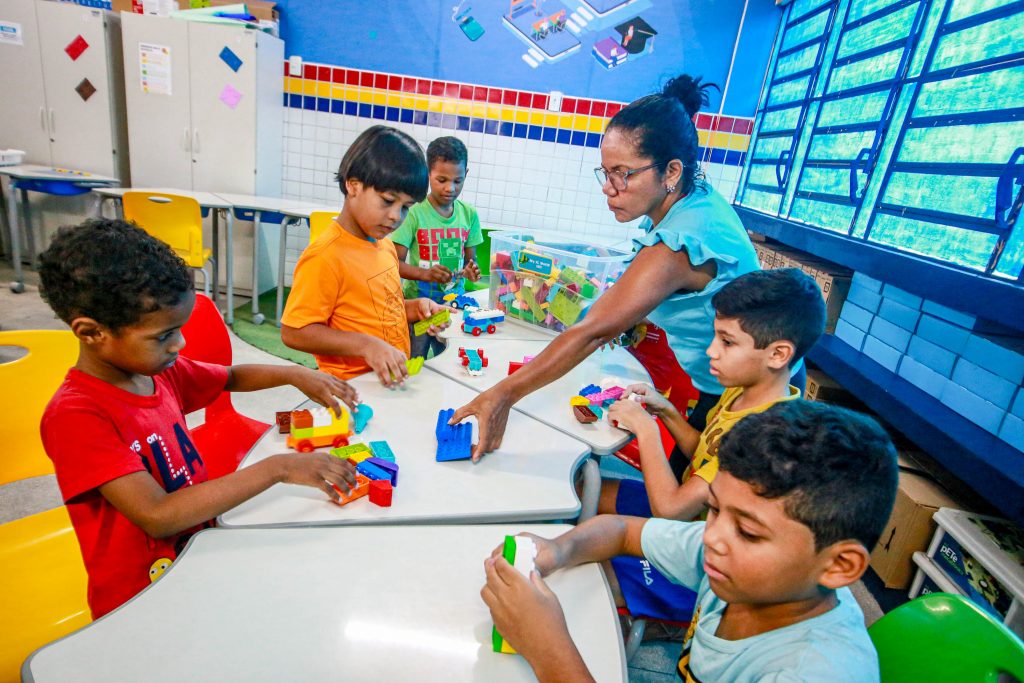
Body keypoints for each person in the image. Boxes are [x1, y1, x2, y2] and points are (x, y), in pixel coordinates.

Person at [38, 219, 360, 619]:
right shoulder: (76, 416)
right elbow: (157, 515)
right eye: (163, 335)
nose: (181, 343)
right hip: (138, 597)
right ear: (91, 332)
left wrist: (295, 374)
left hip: (194, 554)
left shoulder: (158, 372)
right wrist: (278, 468)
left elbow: (230, 377)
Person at [453, 74, 762, 464]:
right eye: (605, 172)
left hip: (750, 402)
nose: (608, 186)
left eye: (623, 173)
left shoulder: (681, 241)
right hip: (729, 386)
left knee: (691, 491)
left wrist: (502, 395)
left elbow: (594, 331)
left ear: (671, 172)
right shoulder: (689, 199)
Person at [482, 401, 898, 683]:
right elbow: (623, 530)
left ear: (839, 566)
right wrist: (557, 549)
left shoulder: (812, 672)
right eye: (714, 509)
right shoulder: (739, 567)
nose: (713, 536)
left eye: (749, 532)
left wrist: (548, 649)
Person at [595, 268, 826, 625]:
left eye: (727, 342)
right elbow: (703, 452)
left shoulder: (763, 436)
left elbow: (670, 511)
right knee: (588, 492)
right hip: (693, 514)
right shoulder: (743, 392)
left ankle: (667, 622)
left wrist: (646, 429)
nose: (711, 351)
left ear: (778, 354)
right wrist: (666, 411)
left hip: (705, 563)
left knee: (593, 574)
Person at [281, 125, 449, 387]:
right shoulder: (326, 256)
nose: (396, 216)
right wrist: (366, 345)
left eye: (406, 207)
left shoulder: (384, 246)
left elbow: (379, 312)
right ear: (353, 185)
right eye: (388, 201)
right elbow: (294, 332)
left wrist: (416, 308)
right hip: (351, 389)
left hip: (388, 383)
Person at [391, 136, 483, 359]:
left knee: (451, 360)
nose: (450, 188)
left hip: (453, 307)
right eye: (441, 180)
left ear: (466, 174)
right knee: (415, 361)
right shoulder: (413, 212)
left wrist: (472, 270)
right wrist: (425, 274)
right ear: (427, 173)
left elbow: (471, 262)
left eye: (458, 181)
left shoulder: (469, 215)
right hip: (420, 309)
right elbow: (393, 264)